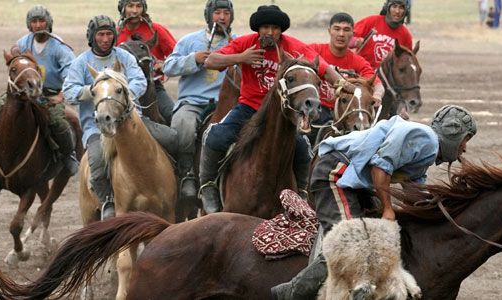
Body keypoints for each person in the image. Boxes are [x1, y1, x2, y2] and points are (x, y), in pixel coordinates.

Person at [272, 105, 477, 300]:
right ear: (453, 133)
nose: (465, 148)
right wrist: (388, 209)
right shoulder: (426, 139)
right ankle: (291, 293)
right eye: (465, 139)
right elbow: (380, 166)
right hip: (335, 174)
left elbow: (416, 192)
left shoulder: (425, 151)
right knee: (350, 241)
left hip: (353, 184)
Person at [199, 5, 356, 214]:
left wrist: (345, 85)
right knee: (216, 136)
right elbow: (210, 60)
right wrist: (241, 58)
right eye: (265, 27)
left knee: (302, 148)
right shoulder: (246, 43)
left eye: (275, 28)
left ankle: (301, 193)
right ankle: (208, 187)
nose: (270, 32)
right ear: (258, 29)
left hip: (281, 111)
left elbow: (324, 68)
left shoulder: (293, 47)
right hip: (249, 107)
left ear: (281, 30)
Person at [63, 15, 177, 220]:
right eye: (100, 34)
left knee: (172, 138)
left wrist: (120, 92)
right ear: (92, 37)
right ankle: (107, 200)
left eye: (108, 34)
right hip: (97, 128)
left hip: (133, 121)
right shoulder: (81, 63)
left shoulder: (125, 57)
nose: (105, 38)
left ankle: (181, 183)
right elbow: (69, 91)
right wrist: (97, 90)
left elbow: (140, 82)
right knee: (97, 161)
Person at [0, 5, 78, 176]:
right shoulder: (24, 42)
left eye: (41, 21)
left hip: (49, 94)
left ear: (49, 23)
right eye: (34, 22)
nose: (38, 25)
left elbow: (73, 74)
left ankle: (68, 155)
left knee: (57, 121)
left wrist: (61, 95)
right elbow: (15, 58)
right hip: (22, 92)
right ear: (29, 25)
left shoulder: (60, 47)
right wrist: (14, 54)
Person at [163, 0, 235, 201]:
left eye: (226, 13)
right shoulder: (189, 41)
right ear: (209, 15)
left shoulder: (237, 42)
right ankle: (187, 174)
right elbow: (168, 67)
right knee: (182, 125)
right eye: (217, 13)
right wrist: (193, 59)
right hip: (193, 102)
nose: (222, 18)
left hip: (227, 105)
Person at [307, 12, 384, 142]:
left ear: (353, 34)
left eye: (346, 30)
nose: (341, 34)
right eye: (337, 29)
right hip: (318, 110)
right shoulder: (314, 50)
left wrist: (377, 95)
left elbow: (377, 84)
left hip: (347, 112)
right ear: (329, 31)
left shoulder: (358, 61)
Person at [116, 0, 177, 124]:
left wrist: (164, 64)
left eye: (139, 6)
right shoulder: (115, 34)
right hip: (122, 88)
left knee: (173, 116)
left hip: (153, 86)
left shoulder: (156, 30)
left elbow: (177, 54)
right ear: (122, 8)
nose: (134, 11)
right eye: (130, 6)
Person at [351, 0, 413, 69]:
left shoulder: (406, 35)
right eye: (394, 6)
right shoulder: (371, 21)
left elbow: (407, 63)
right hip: (361, 72)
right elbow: (346, 38)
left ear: (406, 11)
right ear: (387, 8)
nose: (397, 11)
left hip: (387, 78)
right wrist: (355, 42)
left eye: (401, 8)